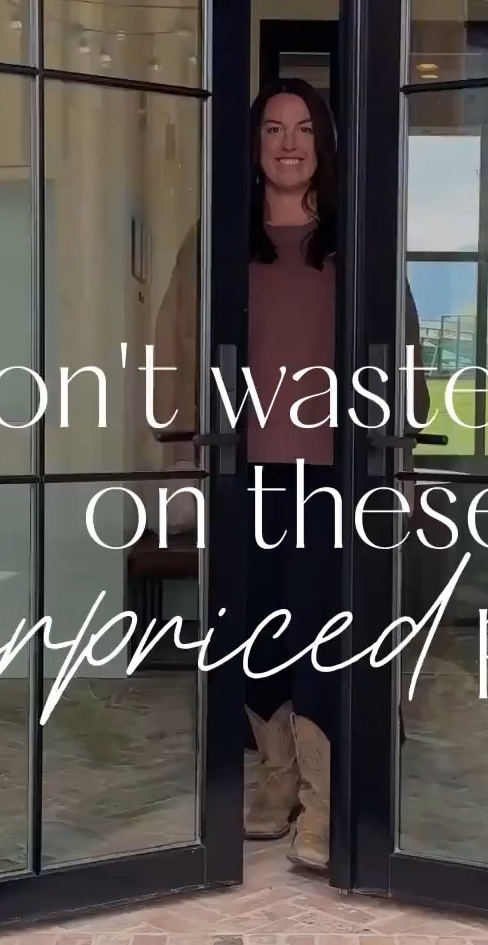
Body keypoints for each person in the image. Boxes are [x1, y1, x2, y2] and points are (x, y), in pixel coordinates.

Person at [153, 78, 429, 871]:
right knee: (251, 628)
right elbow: (176, 339)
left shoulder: (357, 240)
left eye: (303, 129)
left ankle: (324, 799)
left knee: (322, 629)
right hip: (242, 466)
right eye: (272, 129)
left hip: (336, 472)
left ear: (323, 144)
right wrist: (181, 446)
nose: (288, 144)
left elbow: (400, 345)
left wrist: (397, 452)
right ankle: (275, 781)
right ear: (253, 145)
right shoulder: (215, 241)